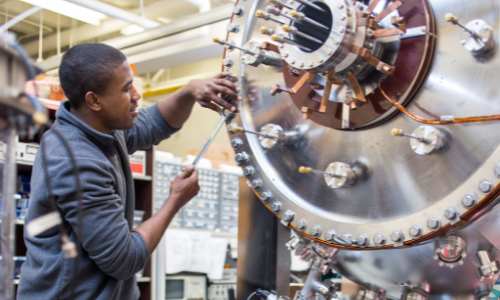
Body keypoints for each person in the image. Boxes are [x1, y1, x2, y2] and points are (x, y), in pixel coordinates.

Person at [17, 43, 240, 300]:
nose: (136, 95)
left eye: (132, 84)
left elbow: (156, 122)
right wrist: (175, 201)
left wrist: (190, 90)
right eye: (126, 89)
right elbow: (124, 259)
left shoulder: (104, 127)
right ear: (94, 100)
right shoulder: (76, 161)